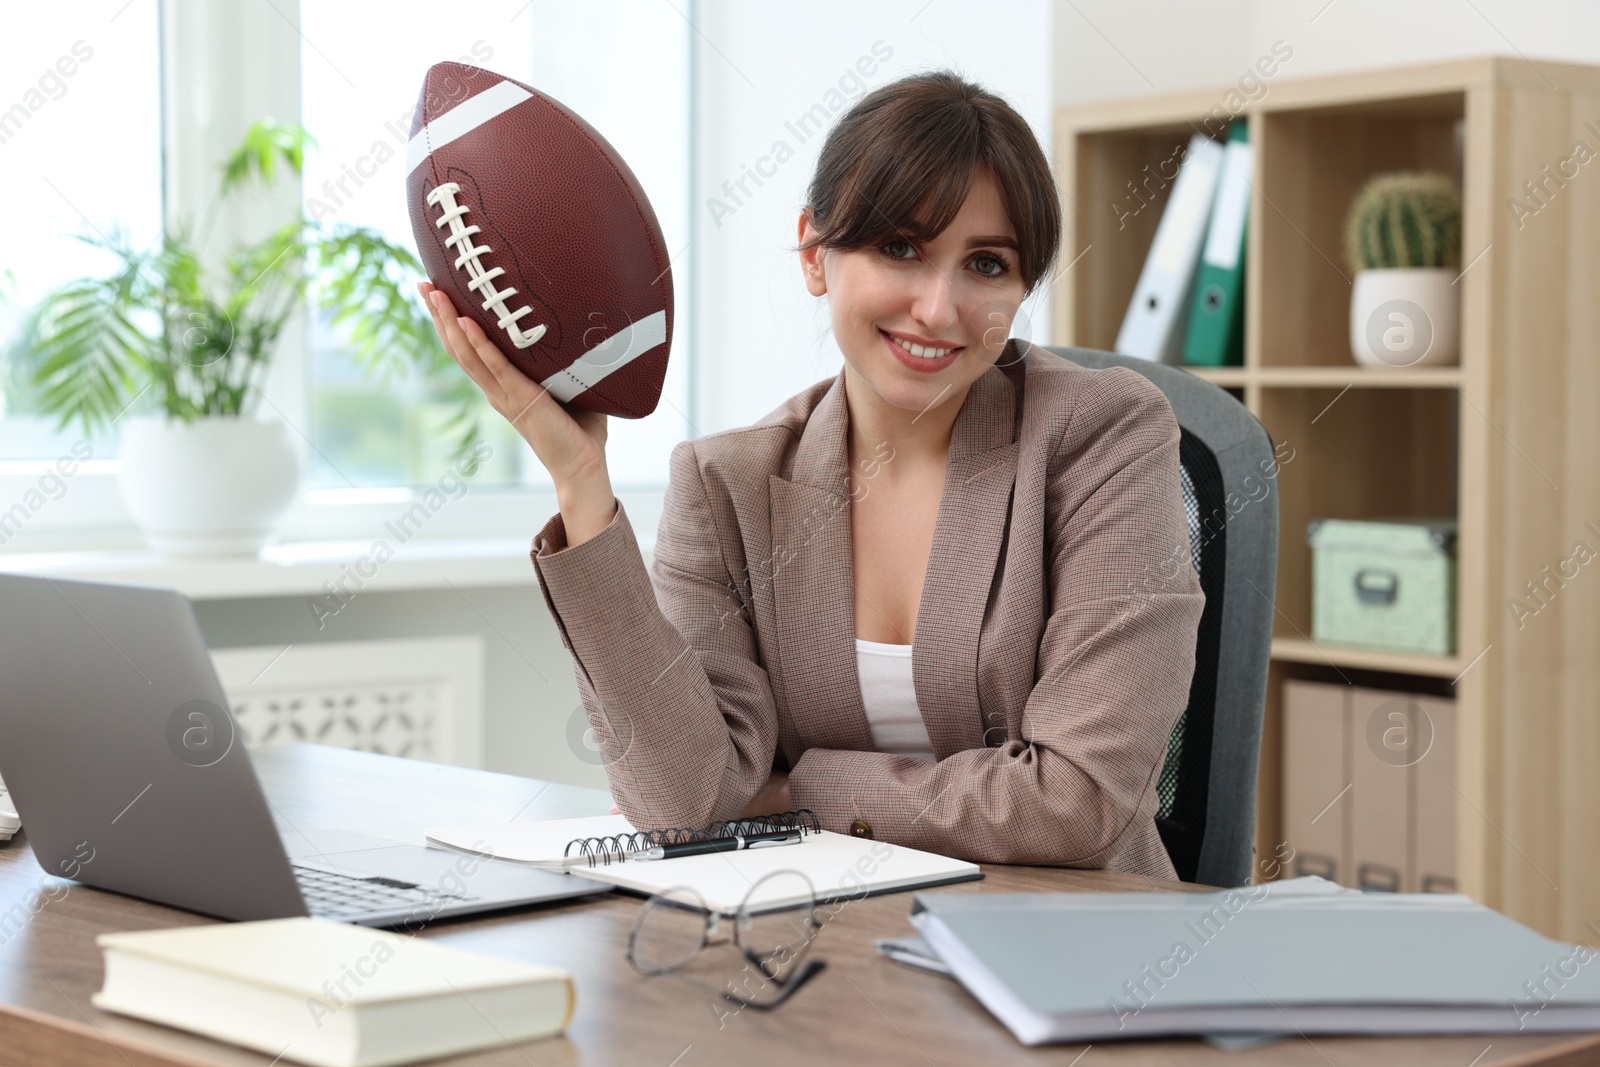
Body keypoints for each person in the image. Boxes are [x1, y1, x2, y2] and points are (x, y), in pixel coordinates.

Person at [420, 70, 1203, 879]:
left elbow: (1077, 802)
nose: (939, 308)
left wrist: (793, 791)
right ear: (814, 253)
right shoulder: (728, 484)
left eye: (987, 264)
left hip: (1076, 956)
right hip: (831, 946)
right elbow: (685, 802)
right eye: (900, 248)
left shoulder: (1105, 435)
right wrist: (582, 481)